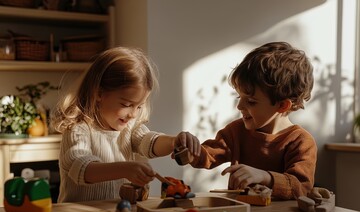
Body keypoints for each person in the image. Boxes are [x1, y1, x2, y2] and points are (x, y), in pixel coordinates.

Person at [51, 47, 200, 202]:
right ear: (99, 93)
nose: (133, 114)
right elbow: (82, 169)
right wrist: (125, 168)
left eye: (139, 106)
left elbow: (148, 141)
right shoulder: (78, 129)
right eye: (127, 104)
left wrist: (174, 141)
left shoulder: (130, 127)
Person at [187, 42, 317, 200]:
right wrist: (188, 149)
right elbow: (208, 155)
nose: (239, 106)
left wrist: (265, 177)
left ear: (282, 105)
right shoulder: (236, 131)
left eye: (251, 101)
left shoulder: (301, 141)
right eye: (239, 97)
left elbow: (302, 188)